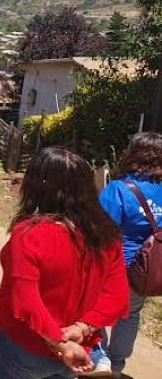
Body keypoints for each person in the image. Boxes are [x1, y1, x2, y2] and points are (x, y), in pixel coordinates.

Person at [0, 147, 129, 379]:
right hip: (78, 349)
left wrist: (61, 344)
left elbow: (26, 301)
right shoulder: (107, 235)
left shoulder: (29, 235)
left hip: (29, 348)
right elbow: (116, 295)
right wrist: (82, 328)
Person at [89, 132, 162, 377]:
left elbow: (101, 230)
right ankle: (117, 366)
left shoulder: (119, 190)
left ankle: (99, 359)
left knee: (94, 310)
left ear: (132, 155)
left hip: (115, 266)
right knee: (129, 315)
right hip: (146, 272)